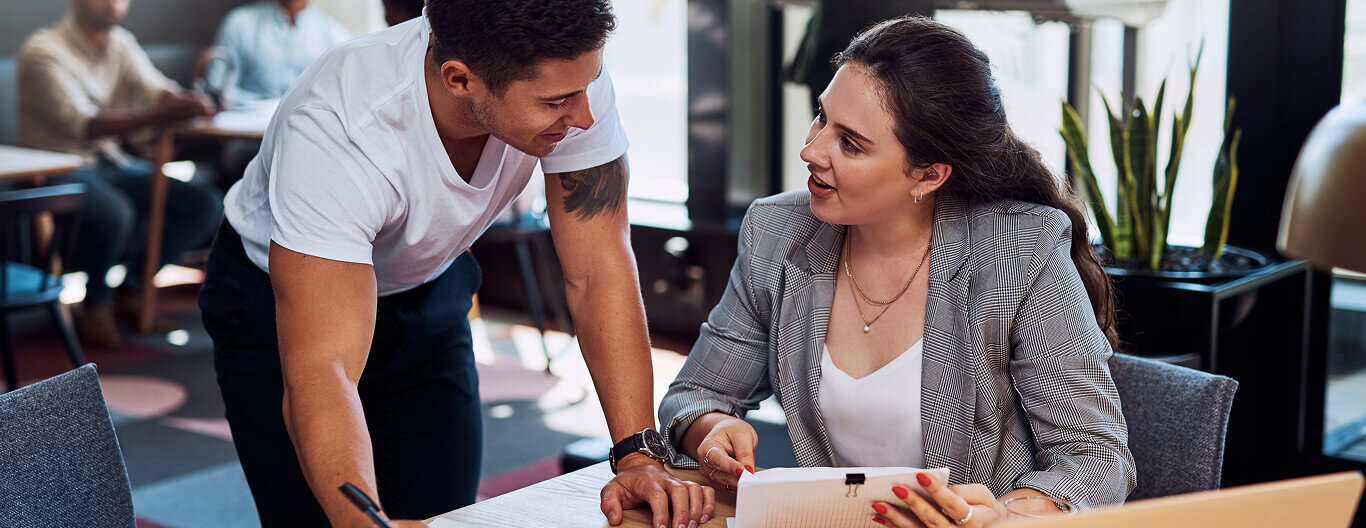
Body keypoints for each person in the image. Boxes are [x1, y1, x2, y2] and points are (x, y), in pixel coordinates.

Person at [198, 1, 713, 527]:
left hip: (427, 287)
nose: (584, 116)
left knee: (443, 515)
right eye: (558, 102)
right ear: (461, 80)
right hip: (279, 300)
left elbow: (599, 268)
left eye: (589, 86)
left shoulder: (566, 75)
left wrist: (638, 455)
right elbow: (323, 365)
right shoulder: (340, 127)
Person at [659, 16, 1136, 527]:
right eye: (822, 117)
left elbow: (1098, 457)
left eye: (850, 144)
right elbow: (694, 396)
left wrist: (1004, 514)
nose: (810, 150)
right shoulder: (778, 232)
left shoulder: (1018, 250)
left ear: (928, 175)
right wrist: (712, 430)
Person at [17, 0, 225, 347]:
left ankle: (131, 290)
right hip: (56, 165)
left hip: (110, 160)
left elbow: (158, 91)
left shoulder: (121, 43)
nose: (114, 3)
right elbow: (86, 124)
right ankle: (96, 306)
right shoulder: (42, 51)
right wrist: (161, 115)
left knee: (205, 203)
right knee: (116, 211)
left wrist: (191, 103)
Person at [210, 0, 351, 103]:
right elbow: (217, 89)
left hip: (305, 130)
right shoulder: (238, 24)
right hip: (244, 130)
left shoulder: (336, 36)